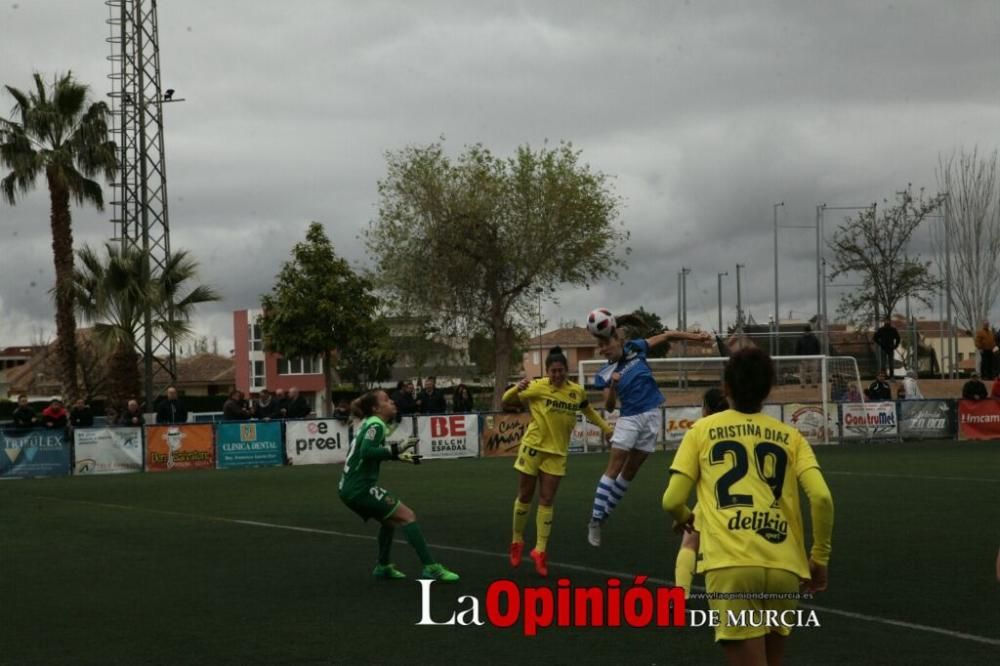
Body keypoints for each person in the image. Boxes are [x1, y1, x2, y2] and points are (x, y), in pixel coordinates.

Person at [662, 347, 834, 664]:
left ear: (726, 388)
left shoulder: (701, 431)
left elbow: (671, 499)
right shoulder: (791, 436)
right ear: (768, 390)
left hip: (732, 566)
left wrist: (686, 518)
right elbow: (822, 497)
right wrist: (819, 556)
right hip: (784, 567)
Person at [587, 323, 713, 547]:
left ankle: (604, 514)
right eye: (600, 346)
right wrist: (614, 386)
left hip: (652, 414)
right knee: (614, 468)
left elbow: (667, 336)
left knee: (630, 472)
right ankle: (595, 520)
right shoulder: (603, 374)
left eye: (605, 343)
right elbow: (608, 407)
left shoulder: (636, 348)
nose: (603, 349)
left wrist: (697, 337)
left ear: (618, 341)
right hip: (629, 418)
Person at [503, 346, 613, 577]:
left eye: (561, 370)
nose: (557, 375)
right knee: (525, 495)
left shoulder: (576, 392)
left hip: (557, 452)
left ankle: (540, 550)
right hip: (533, 447)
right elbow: (506, 400)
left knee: (547, 499)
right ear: (547, 371)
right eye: (553, 371)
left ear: (567, 370)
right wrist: (516, 388)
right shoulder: (537, 387)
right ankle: (516, 541)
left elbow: (589, 411)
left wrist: (605, 428)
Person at [338, 389, 459, 582]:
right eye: (386, 400)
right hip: (359, 488)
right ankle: (431, 567)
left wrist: (401, 456)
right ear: (376, 408)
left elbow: (369, 453)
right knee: (407, 516)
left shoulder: (371, 423)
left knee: (388, 521)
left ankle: (383, 566)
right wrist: (397, 450)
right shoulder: (376, 425)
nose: (392, 402)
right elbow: (367, 452)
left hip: (350, 487)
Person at [673, 387, 729, 597]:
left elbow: (675, 494)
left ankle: (681, 595)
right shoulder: (742, 425)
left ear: (706, 409)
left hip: (714, 499)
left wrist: (680, 515)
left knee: (689, 541)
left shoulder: (700, 430)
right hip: (749, 500)